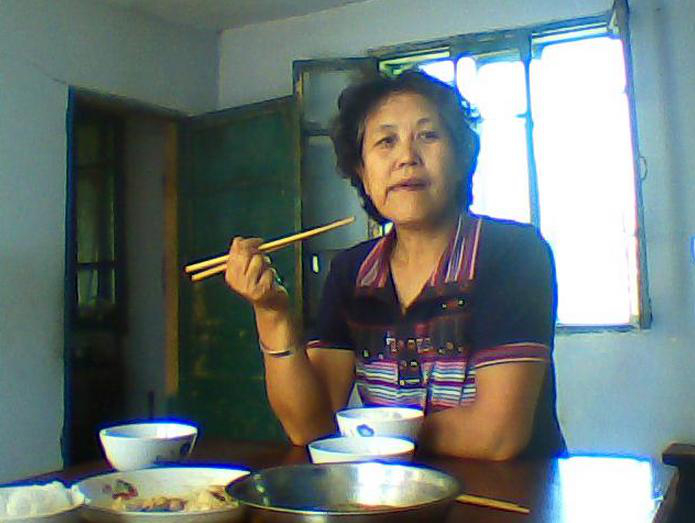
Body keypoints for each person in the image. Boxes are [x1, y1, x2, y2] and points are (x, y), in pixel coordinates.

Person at [224, 70, 566, 460]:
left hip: (511, 491)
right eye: (386, 141)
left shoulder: (513, 253)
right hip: (393, 489)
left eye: (428, 135)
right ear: (362, 173)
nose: (406, 157)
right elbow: (310, 428)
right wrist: (271, 314)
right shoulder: (351, 272)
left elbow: (498, 435)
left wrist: (370, 433)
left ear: (461, 159)